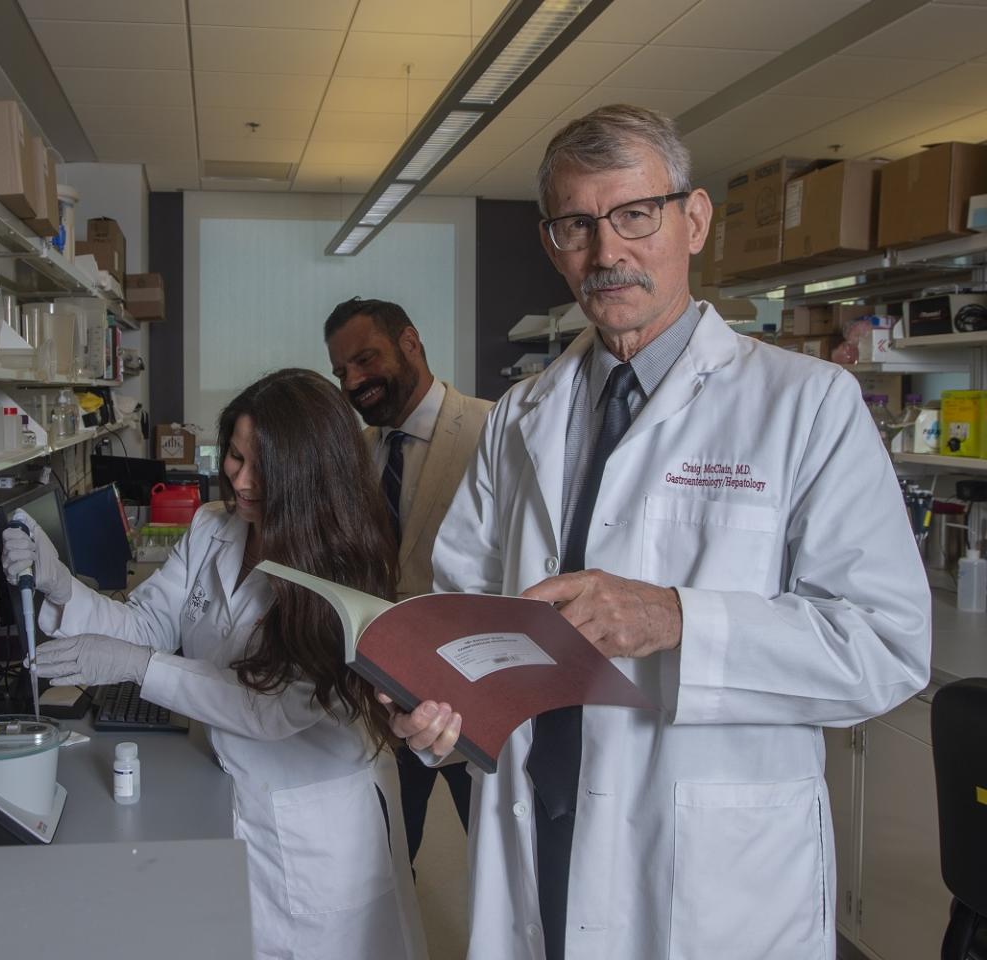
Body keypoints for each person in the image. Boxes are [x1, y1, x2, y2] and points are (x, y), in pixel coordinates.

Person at [390, 103, 932, 960]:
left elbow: (886, 645)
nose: (608, 253)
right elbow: (465, 609)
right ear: (552, 243)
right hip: (538, 809)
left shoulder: (807, 406)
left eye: (635, 214)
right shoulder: (518, 417)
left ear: (695, 219)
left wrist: (679, 619)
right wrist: (429, 696)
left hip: (707, 852)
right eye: (578, 224)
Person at [3, 368, 427, 960]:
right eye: (234, 455)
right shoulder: (212, 528)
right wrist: (60, 586)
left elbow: (272, 709)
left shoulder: (343, 573)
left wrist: (138, 667)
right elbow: (148, 624)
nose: (241, 479)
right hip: (232, 789)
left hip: (315, 824)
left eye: (263, 468)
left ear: (308, 477)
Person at [324, 296, 491, 864]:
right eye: (342, 371)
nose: (355, 381)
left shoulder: (493, 430)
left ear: (411, 344)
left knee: (502, 867)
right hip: (384, 701)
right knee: (390, 860)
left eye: (366, 360)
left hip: (477, 703)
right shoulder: (360, 453)